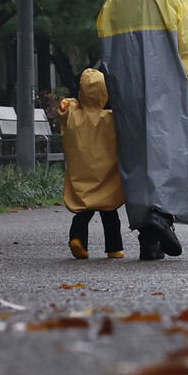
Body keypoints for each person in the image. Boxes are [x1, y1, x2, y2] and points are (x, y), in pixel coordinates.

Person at [96, 0, 188, 260]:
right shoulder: (176, 1)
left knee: (137, 160)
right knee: (170, 156)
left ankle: (148, 234)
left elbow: (106, 55)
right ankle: (162, 218)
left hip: (129, 100)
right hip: (172, 98)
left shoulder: (113, 2)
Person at [58, 68, 125, 260]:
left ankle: (78, 239)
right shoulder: (111, 118)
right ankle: (114, 248)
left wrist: (79, 100)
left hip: (82, 175)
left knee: (84, 212)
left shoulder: (73, 116)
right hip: (106, 177)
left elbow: (64, 106)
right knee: (110, 213)